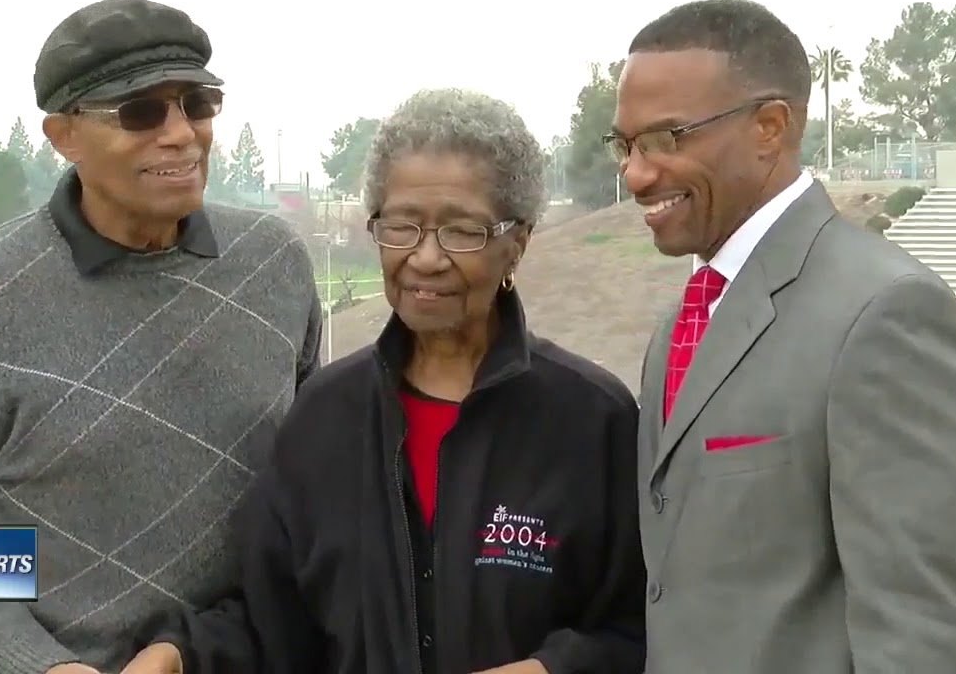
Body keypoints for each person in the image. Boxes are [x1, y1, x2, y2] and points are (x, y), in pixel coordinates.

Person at [0, 0, 322, 674]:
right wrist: (41, 662)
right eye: (140, 112)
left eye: (197, 103)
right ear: (64, 136)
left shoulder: (273, 262)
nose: (180, 134)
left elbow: (308, 503)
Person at [124, 88, 646, 674]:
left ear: (517, 243)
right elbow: (274, 622)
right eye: (401, 227)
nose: (424, 258)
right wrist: (179, 656)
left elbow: (639, 626)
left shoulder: (592, 419)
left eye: (461, 231)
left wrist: (551, 669)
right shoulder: (325, 416)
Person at [612, 0, 956, 673]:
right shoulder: (686, 316)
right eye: (624, 146)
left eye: (666, 139)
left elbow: (929, 641)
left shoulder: (887, 314)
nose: (636, 173)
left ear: (770, 126)